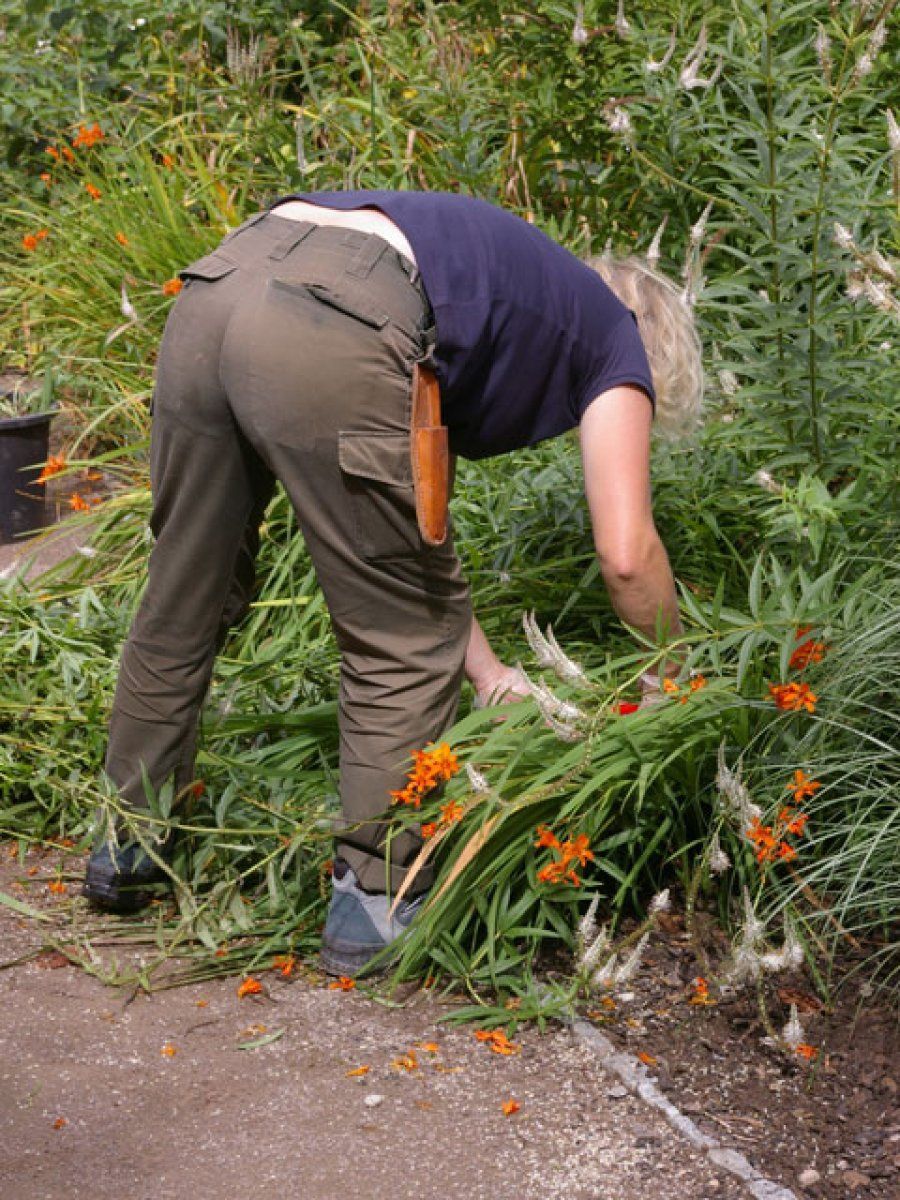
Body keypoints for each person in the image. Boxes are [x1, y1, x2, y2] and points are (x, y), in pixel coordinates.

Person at [83, 190, 703, 976]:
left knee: (184, 596)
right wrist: (675, 674)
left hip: (221, 283)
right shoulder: (618, 340)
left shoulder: (499, 290)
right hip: (332, 317)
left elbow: (418, 544)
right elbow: (626, 554)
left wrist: (488, 673)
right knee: (397, 644)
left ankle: (126, 845)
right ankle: (375, 904)